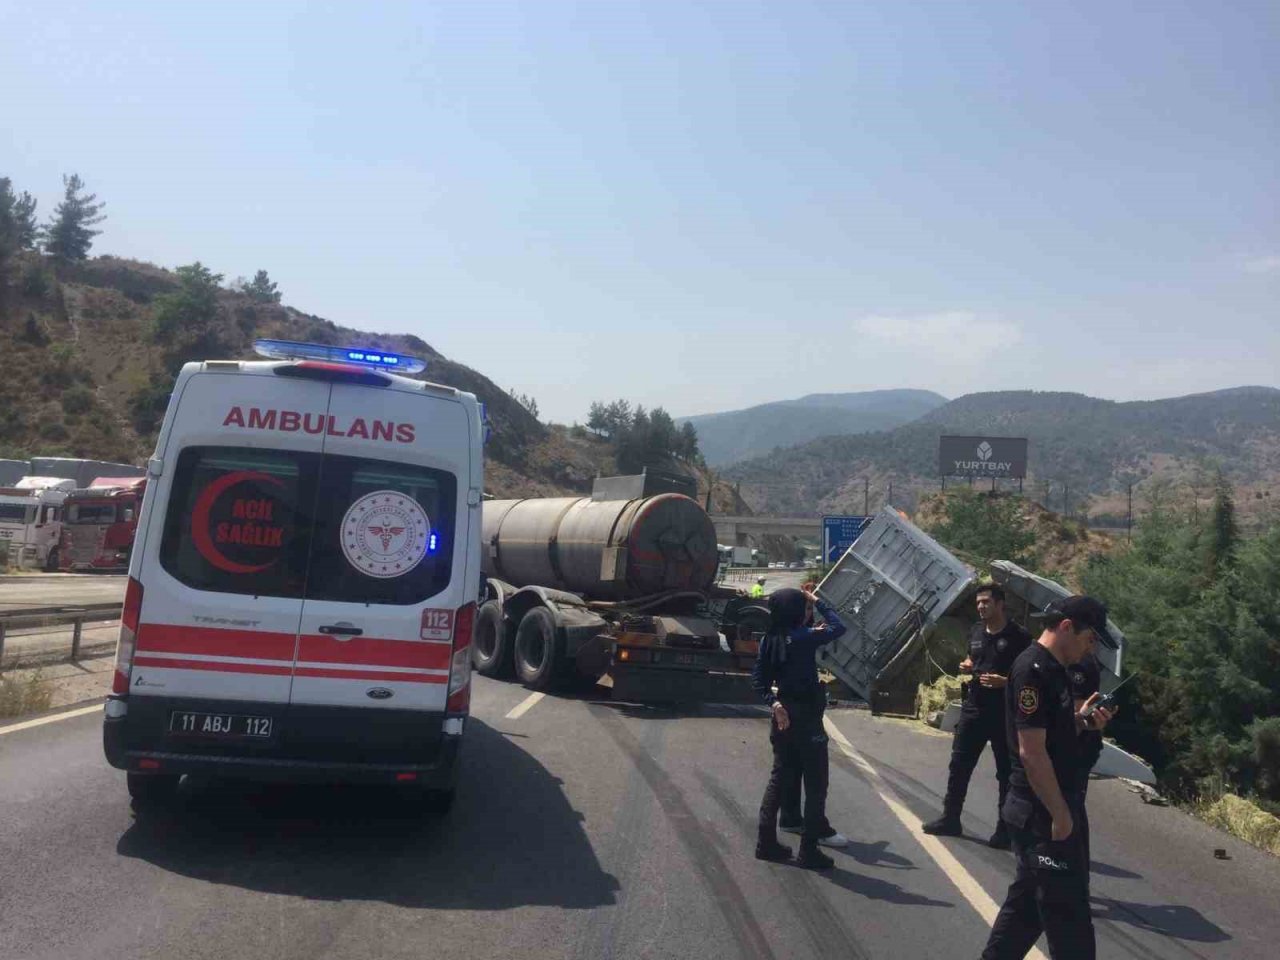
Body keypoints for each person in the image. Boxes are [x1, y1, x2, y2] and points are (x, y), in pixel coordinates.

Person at [981, 596, 1115, 960]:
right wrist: (1060, 814)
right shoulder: (1032, 670)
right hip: (1041, 811)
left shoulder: (1054, 669)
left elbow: (1050, 731)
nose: (1091, 649)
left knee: (1026, 910)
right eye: (1090, 639)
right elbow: (1032, 752)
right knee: (1069, 922)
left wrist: (1083, 722)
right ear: (1067, 627)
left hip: (1049, 805)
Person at [923, 583, 1032, 848]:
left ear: (999, 604)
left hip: (1003, 714)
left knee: (1006, 774)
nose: (981, 607)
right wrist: (969, 664)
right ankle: (950, 819)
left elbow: (1030, 679)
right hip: (973, 709)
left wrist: (1004, 682)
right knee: (959, 766)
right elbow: (975, 658)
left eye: (986, 602)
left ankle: (1004, 831)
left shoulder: (1019, 637)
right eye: (979, 603)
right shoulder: (975, 631)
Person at [753, 584, 847, 869]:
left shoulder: (769, 639)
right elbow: (839, 626)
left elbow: (758, 678)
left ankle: (765, 842)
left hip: (782, 714)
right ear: (796, 610)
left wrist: (774, 703)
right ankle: (809, 850)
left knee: (778, 778)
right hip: (807, 717)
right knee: (817, 783)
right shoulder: (805, 637)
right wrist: (817, 599)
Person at [1067, 637, 1104, 874]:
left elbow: (1078, 711)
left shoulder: (1082, 665)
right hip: (1067, 743)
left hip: (1077, 745)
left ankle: (1078, 884)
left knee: (1071, 813)